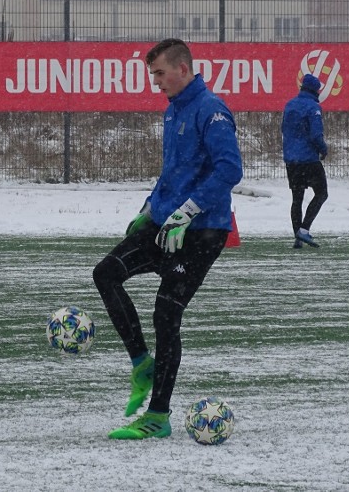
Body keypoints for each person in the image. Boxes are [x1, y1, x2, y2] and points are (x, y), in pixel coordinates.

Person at [92, 38, 243, 440]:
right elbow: (173, 170)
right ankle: (141, 363)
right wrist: (149, 207)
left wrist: (188, 211)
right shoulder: (174, 109)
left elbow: (230, 170)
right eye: (153, 74)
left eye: (160, 73)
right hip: (165, 223)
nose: (155, 82)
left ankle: (158, 416)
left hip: (202, 232)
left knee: (166, 314)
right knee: (105, 273)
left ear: (183, 68)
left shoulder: (212, 111)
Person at [281, 73, 329, 249]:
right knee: (322, 193)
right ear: (315, 90)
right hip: (308, 158)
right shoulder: (313, 108)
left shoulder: (290, 105)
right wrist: (323, 149)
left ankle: (297, 237)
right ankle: (304, 229)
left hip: (291, 159)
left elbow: (283, 129)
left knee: (297, 198)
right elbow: (316, 134)